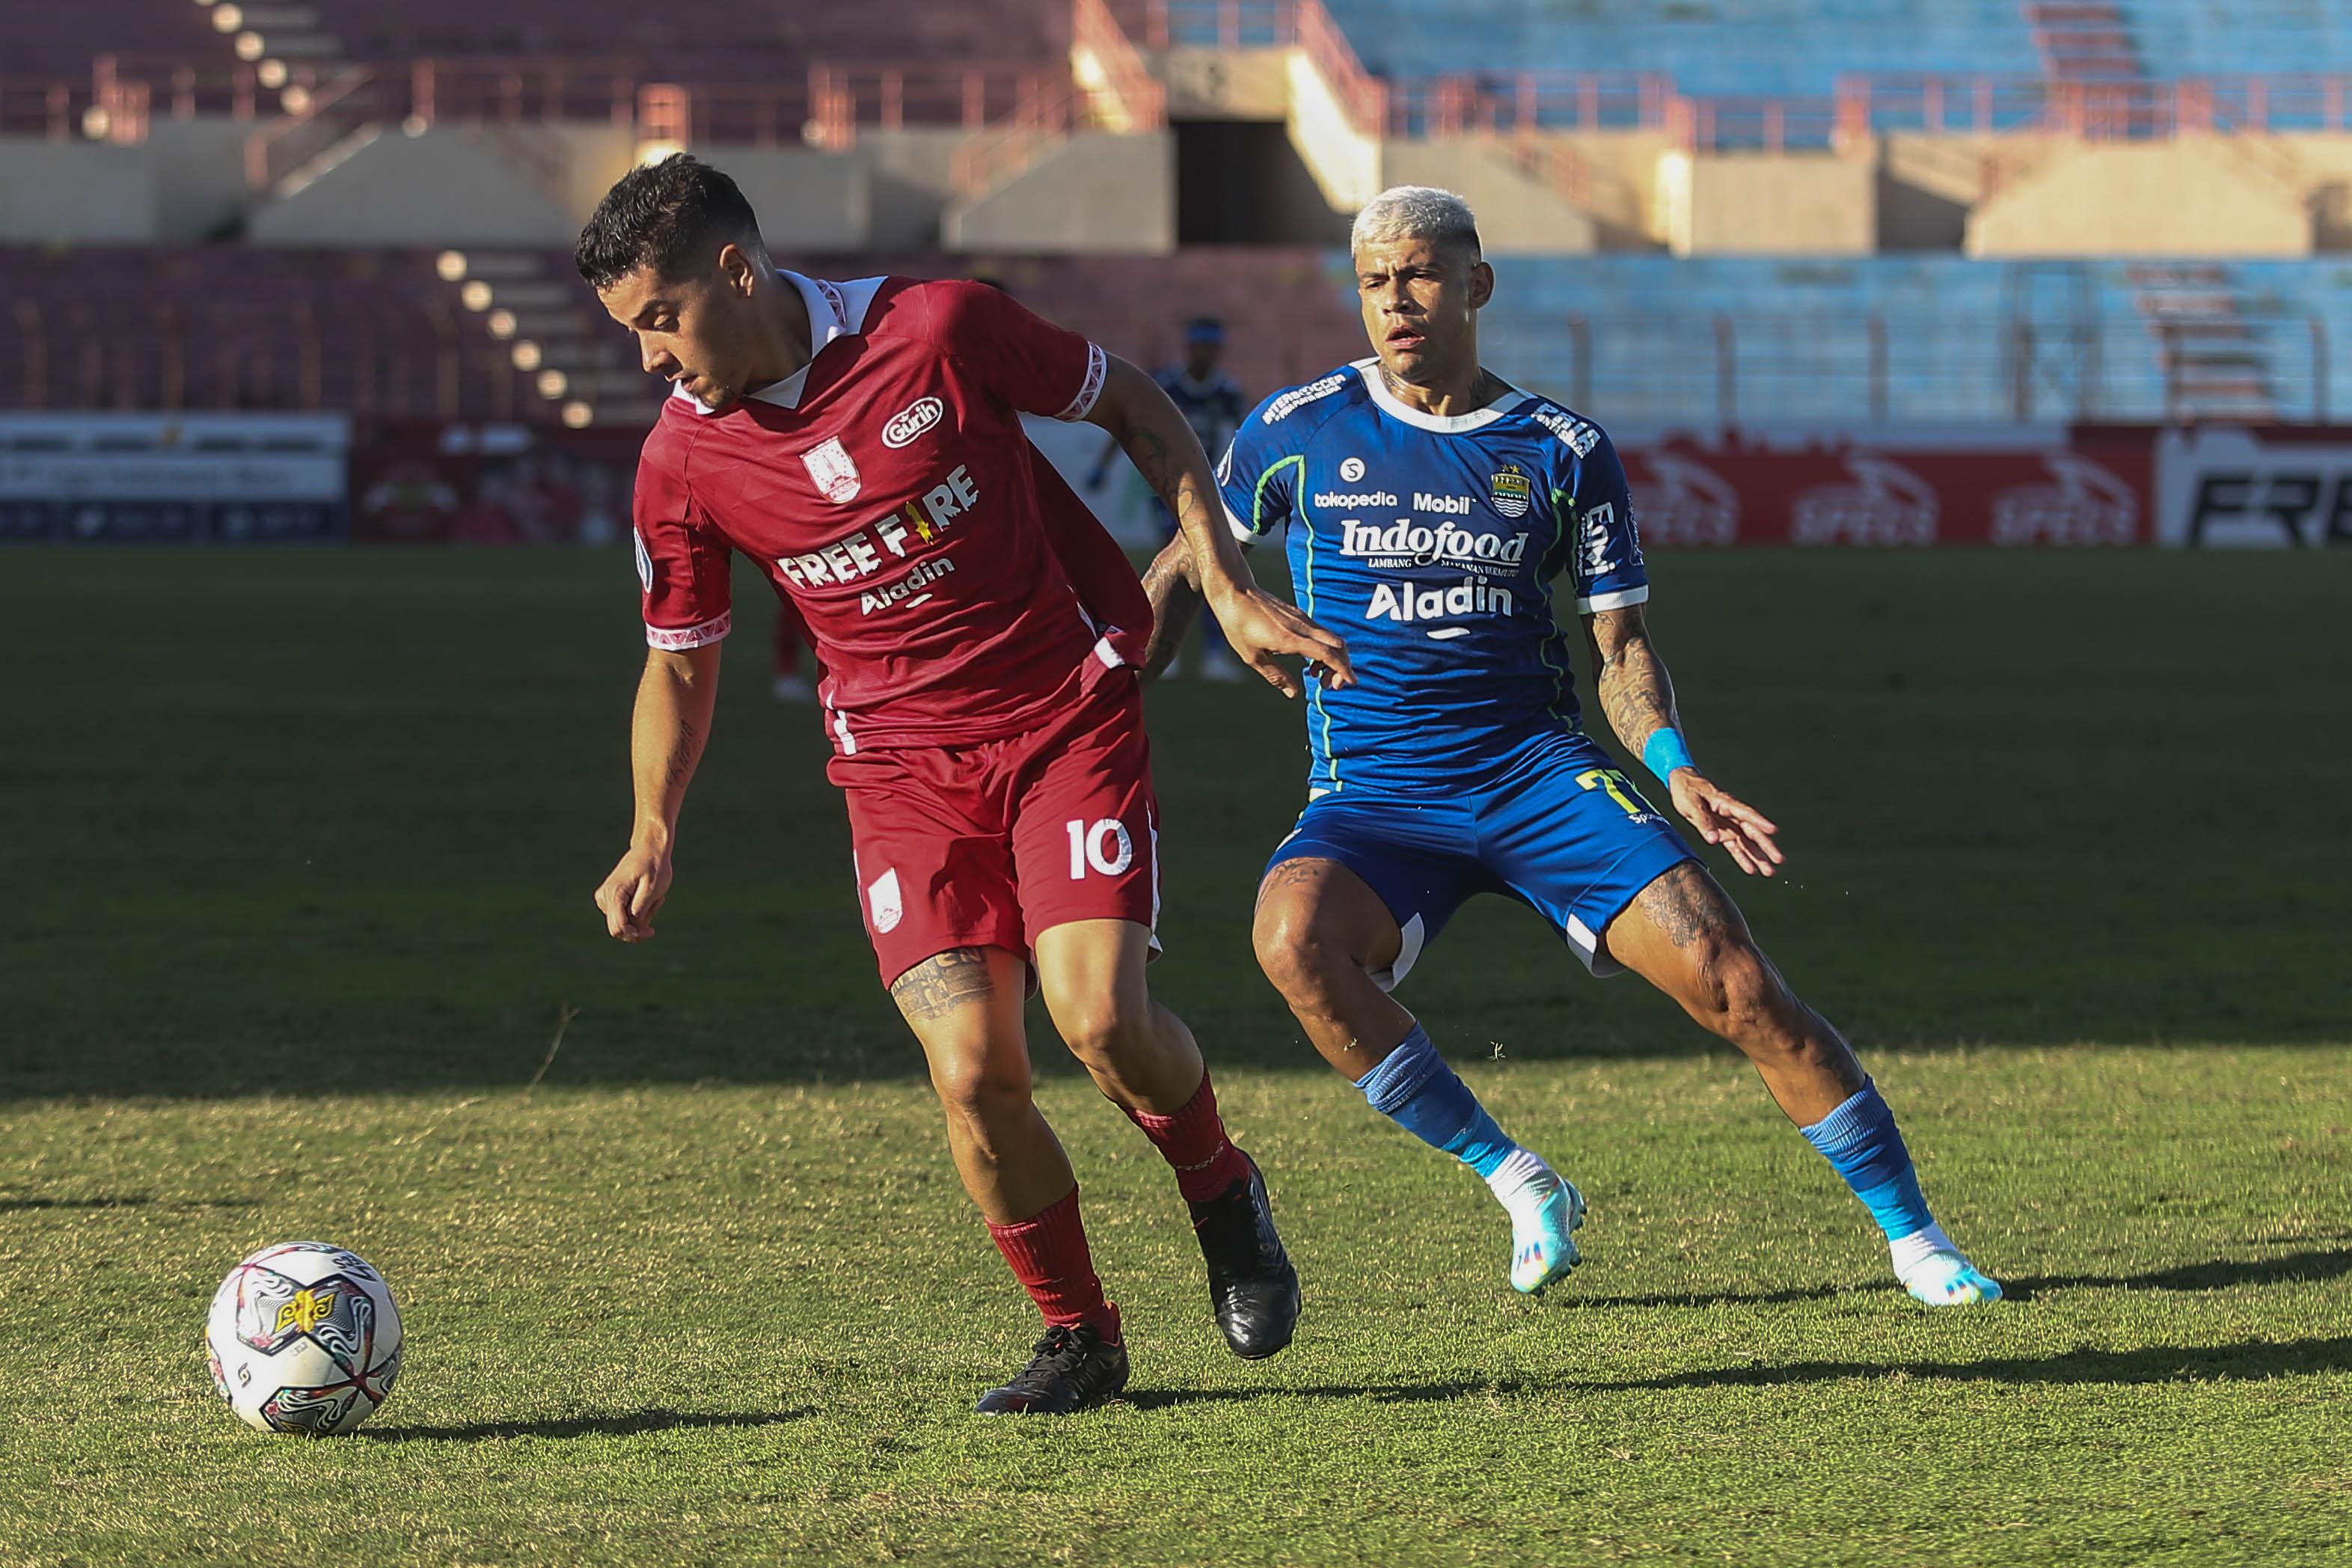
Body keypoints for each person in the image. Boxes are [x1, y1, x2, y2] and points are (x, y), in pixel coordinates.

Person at [578, 156, 1356, 1413]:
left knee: (1099, 1022)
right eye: (631, 336)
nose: (650, 361)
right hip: (898, 774)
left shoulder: (937, 328)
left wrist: (1221, 582)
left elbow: (1143, 415)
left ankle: (1218, 1186)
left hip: (1062, 718)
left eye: (657, 321)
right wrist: (650, 827)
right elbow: (677, 665)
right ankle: (1078, 1336)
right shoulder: (679, 466)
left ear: (735, 270)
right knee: (972, 1076)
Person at [1142, 186, 2000, 1308]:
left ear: (1477, 285)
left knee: (1736, 982)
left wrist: (1676, 766)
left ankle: (1916, 1240)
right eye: (1373, 283)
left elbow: (1623, 647)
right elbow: (1181, 567)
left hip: (1537, 773)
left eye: (1420, 275)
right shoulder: (1294, 431)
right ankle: (1517, 1178)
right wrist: (1098, 683)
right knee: (1294, 941)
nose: (1396, 302)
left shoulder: (1561, 450)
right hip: (1378, 792)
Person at [1088, 316, 1251, 680]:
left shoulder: (1226, 390)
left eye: (1212, 347)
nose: (1205, 354)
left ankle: (1213, 655)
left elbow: (1247, 435)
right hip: (1166, 487)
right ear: (1190, 346)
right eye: (1200, 346)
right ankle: (1163, 649)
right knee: (1178, 562)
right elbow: (1129, 425)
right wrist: (1103, 466)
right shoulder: (1167, 385)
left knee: (1213, 562)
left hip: (1206, 489)